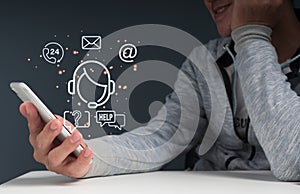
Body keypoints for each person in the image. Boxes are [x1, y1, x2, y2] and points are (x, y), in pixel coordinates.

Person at [20, 0, 300, 181]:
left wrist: (251, 33)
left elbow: (293, 160)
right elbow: (162, 136)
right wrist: (85, 155)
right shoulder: (207, 62)